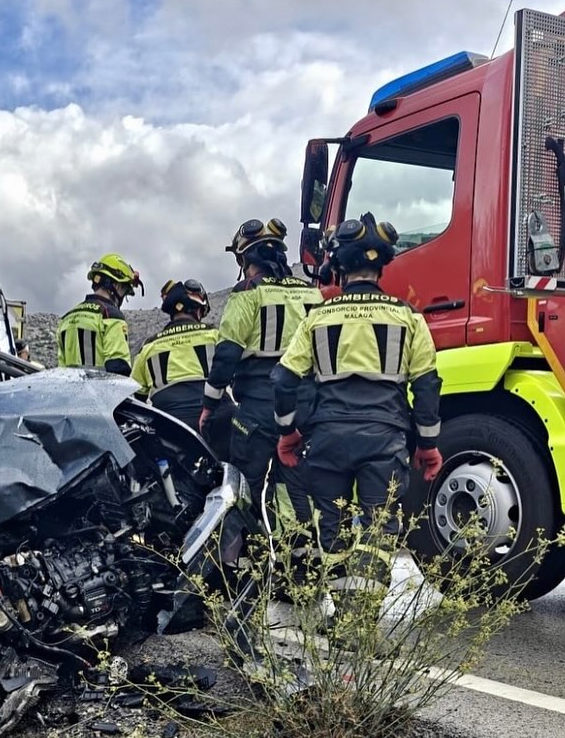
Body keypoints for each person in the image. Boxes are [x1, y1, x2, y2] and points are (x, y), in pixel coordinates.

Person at [271, 212, 443, 554]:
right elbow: (426, 386)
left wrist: (288, 434)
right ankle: (364, 605)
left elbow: (283, 381)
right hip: (385, 440)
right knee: (379, 532)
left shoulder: (317, 318)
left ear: (338, 266)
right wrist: (427, 444)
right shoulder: (409, 318)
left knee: (331, 532)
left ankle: (342, 604)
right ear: (383, 266)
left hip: (327, 440)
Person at [199, 218, 323, 526]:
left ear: (245, 259)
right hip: (306, 405)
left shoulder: (248, 292)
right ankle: (299, 555)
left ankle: (241, 560)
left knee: (244, 485)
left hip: (259, 407)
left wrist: (209, 405)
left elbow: (227, 355)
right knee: (296, 483)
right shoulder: (311, 293)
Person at [131, 279, 220, 433]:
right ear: (198, 310)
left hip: (170, 428)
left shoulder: (148, 347)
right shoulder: (214, 336)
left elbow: (136, 396)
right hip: (216, 421)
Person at [56, 253, 143, 376]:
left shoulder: (66, 318)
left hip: (72, 393)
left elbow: (61, 370)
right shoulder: (110, 316)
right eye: (124, 290)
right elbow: (118, 368)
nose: (123, 296)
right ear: (117, 286)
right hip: (101, 393)